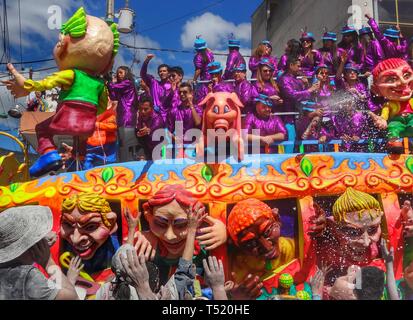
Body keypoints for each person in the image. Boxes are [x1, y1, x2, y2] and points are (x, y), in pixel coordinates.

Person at [3, 7, 118, 177]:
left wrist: (26, 85)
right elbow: (101, 108)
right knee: (82, 141)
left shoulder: (71, 74)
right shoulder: (100, 83)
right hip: (88, 124)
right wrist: (88, 112)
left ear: (63, 44)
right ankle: (83, 163)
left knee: (42, 129)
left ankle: (49, 154)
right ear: (108, 63)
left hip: (66, 117)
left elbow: (45, 83)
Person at [141, 185, 227, 286]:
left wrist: (225, 232)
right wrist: (145, 233)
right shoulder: (147, 242)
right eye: (160, 224)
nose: (170, 236)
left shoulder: (202, 242)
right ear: (148, 216)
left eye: (181, 225)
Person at [227, 198, 311, 299]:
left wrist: (325, 228)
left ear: (277, 219)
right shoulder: (238, 267)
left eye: (267, 232)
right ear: (239, 247)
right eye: (251, 243)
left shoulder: (290, 247)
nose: (266, 247)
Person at [0, 205, 78, 300]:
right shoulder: (27, 276)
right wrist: (48, 262)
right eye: (37, 239)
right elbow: (72, 297)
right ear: (31, 246)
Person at [278, 56, 321, 153]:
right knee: (290, 144)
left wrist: (306, 86)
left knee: (302, 144)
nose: (300, 68)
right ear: (291, 65)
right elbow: (291, 95)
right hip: (288, 117)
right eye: (298, 66)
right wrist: (309, 90)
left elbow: (305, 97)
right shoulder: (284, 79)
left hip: (300, 117)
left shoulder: (297, 80)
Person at [371, 58, 413, 153]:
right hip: (396, 121)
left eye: (407, 76)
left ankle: (410, 144)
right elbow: (384, 116)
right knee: (393, 126)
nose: (403, 82)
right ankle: (394, 143)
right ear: (376, 90)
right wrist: (382, 120)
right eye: (391, 79)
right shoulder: (388, 104)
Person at [107, 66, 140, 162]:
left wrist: (110, 82)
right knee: (122, 140)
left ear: (127, 73)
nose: (118, 74)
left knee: (126, 139)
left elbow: (112, 87)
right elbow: (113, 96)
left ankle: (127, 160)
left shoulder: (128, 83)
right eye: (118, 73)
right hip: (121, 113)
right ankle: (124, 160)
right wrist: (111, 84)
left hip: (127, 114)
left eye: (121, 72)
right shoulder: (122, 85)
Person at [167, 82, 203, 157]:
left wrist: (191, 105)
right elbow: (168, 130)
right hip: (179, 146)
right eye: (180, 92)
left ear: (191, 93)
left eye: (185, 92)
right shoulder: (173, 111)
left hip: (194, 146)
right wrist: (175, 138)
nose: (182, 94)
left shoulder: (197, 109)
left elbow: (198, 123)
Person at [82, 99, 118, 170]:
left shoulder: (110, 114)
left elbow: (114, 127)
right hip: (91, 147)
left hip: (108, 147)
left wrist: (98, 125)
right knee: (87, 166)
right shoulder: (87, 114)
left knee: (110, 167)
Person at [140, 54, 171, 120]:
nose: (162, 73)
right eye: (160, 71)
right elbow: (143, 74)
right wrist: (146, 61)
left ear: (169, 73)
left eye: (164, 71)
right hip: (154, 116)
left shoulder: (173, 87)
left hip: (168, 117)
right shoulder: (154, 83)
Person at [136, 96, 165, 161]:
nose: (142, 111)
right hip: (147, 149)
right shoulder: (140, 117)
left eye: (146, 109)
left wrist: (148, 131)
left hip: (160, 150)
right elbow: (140, 132)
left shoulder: (158, 119)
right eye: (140, 109)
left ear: (152, 108)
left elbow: (153, 129)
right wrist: (138, 133)